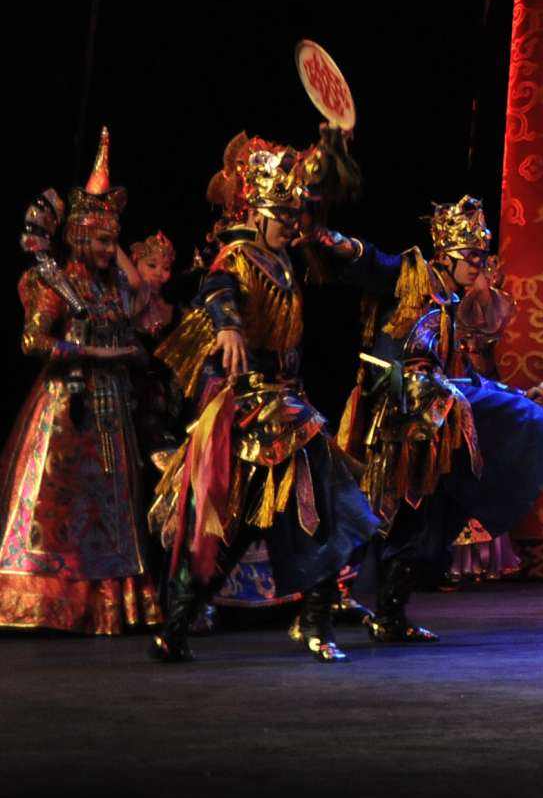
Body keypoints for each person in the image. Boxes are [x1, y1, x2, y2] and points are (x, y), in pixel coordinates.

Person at [332, 195, 543, 643]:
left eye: (481, 257)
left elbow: (460, 373)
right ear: (445, 254)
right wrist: (328, 239)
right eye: (470, 257)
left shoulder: (450, 302)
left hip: (436, 416)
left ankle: (390, 617)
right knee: (405, 510)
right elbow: (369, 261)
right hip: (401, 414)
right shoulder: (413, 276)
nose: (478, 265)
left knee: (429, 514)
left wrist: (510, 391)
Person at [146, 129, 381, 662]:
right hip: (255, 409)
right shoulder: (238, 255)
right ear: (257, 214)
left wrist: (330, 153)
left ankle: (313, 623)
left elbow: (322, 217)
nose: (291, 225)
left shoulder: (286, 257)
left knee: (316, 512)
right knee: (239, 527)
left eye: (294, 217)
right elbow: (217, 289)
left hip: (288, 407)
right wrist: (227, 325)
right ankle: (178, 627)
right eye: (282, 217)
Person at [3, 135, 172, 635]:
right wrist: (98, 354)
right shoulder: (57, 283)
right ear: (78, 238)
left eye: (112, 241)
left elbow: (137, 290)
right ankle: (44, 599)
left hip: (112, 409)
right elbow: (32, 342)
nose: (107, 250)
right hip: (68, 409)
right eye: (99, 241)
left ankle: (110, 604)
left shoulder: (112, 285)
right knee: (60, 506)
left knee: (114, 507)